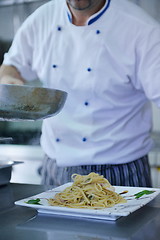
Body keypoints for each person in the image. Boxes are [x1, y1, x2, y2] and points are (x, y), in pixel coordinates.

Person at [0, 0, 160, 187]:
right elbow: (11, 67)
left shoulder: (141, 29)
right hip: (55, 168)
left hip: (121, 171)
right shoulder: (43, 18)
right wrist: (10, 83)